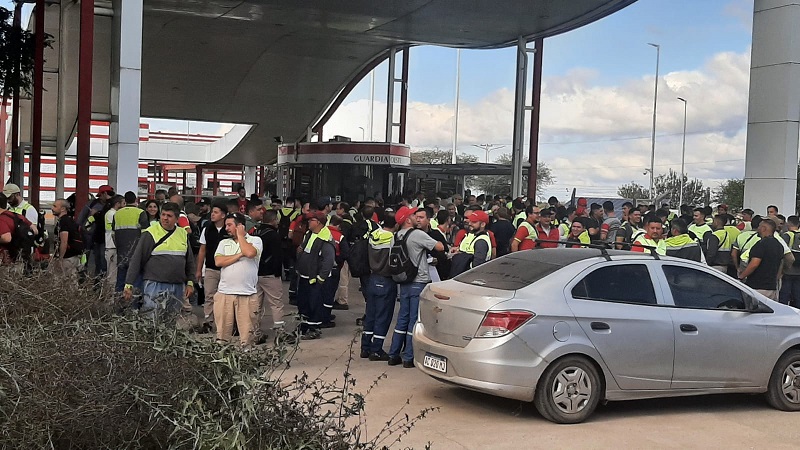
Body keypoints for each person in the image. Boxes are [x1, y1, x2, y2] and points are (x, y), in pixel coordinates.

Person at [387, 206, 444, 368]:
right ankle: (408, 357)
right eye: (413, 215)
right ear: (407, 220)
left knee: (402, 318)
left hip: (403, 281)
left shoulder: (396, 236)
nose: (416, 218)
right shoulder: (418, 234)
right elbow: (439, 247)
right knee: (414, 319)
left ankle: (393, 354)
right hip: (418, 281)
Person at [123, 202, 196, 319]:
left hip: (177, 286)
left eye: (169, 216)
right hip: (154, 285)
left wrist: (190, 282)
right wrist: (129, 283)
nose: (165, 218)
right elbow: (137, 259)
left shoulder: (182, 234)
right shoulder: (150, 233)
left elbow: (189, 261)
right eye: (163, 215)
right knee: (152, 320)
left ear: (177, 219)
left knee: (171, 321)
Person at [213, 212, 262, 346]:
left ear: (240, 226)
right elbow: (218, 261)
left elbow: (250, 253)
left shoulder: (255, 241)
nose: (226, 228)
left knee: (247, 335)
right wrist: (240, 254)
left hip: (247, 294)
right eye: (226, 225)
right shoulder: (224, 243)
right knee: (222, 334)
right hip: (224, 293)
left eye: (229, 225)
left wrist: (240, 236)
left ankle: (247, 359)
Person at [294, 211, 335, 340]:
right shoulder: (309, 234)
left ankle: (314, 329)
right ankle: (304, 326)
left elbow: (328, 261)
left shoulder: (325, 239)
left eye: (311, 220)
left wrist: (320, 279)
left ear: (318, 223)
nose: (308, 222)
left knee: (314, 304)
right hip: (305, 276)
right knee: (303, 303)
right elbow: (304, 250)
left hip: (315, 279)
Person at [361, 215, 398, 360]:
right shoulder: (391, 238)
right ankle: (376, 350)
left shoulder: (373, 234)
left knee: (370, 315)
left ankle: (365, 348)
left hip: (372, 278)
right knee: (383, 316)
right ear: (394, 225)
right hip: (386, 279)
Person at [251, 209, 285, 342]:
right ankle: (279, 333)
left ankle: (255, 332)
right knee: (276, 303)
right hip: (270, 274)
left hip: (255, 273)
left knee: (256, 305)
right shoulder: (273, 235)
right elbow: (278, 256)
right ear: (273, 220)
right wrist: (277, 273)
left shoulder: (255, 232)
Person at [739, 219, 791, 301]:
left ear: (763, 228)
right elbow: (781, 265)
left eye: (759, 226)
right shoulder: (779, 245)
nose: (758, 229)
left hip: (758, 287)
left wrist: (741, 276)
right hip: (772, 288)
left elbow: (754, 264)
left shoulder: (761, 244)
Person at [196, 203, 228, 330]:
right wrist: (199, 270)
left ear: (223, 215)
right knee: (209, 295)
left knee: (226, 297)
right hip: (210, 268)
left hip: (227, 269)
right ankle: (208, 322)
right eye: (212, 212)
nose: (212, 214)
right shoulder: (207, 228)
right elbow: (202, 250)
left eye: (216, 212)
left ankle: (228, 323)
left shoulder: (230, 228)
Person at [112, 192, 150, 293]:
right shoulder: (140, 213)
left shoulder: (117, 214)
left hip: (121, 253)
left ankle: (119, 305)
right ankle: (133, 307)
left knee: (120, 281)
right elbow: (145, 235)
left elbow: (113, 234)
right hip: (136, 254)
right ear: (136, 199)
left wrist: (118, 248)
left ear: (125, 201)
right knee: (136, 281)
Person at [77, 184, 115, 278]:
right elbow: (81, 219)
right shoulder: (92, 204)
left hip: (104, 238)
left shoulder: (112, 205)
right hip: (90, 236)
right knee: (87, 257)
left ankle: (99, 279)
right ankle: (84, 276)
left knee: (102, 261)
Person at [449, 210, 491, 277]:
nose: (470, 223)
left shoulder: (481, 241)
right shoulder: (473, 235)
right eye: (470, 221)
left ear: (483, 224)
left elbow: (477, 266)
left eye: (474, 222)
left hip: (469, 278)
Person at [49, 198, 84, 276]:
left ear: (63, 209)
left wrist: (60, 258)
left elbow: (64, 241)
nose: (52, 208)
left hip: (67, 258)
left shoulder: (64, 222)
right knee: (72, 281)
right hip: (72, 256)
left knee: (63, 281)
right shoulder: (69, 220)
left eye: (55, 206)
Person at [103, 195, 125, 287]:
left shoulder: (110, 213)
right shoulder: (113, 214)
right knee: (112, 276)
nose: (125, 206)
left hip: (111, 246)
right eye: (123, 203)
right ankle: (110, 299)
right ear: (117, 204)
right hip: (112, 247)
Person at [780, 215, 800, 307]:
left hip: (788, 270)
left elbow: (783, 253)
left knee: (785, 293)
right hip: (799, 271)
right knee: (797, 294)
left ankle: (784, 310)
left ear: (788, 223)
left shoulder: (786, 235)